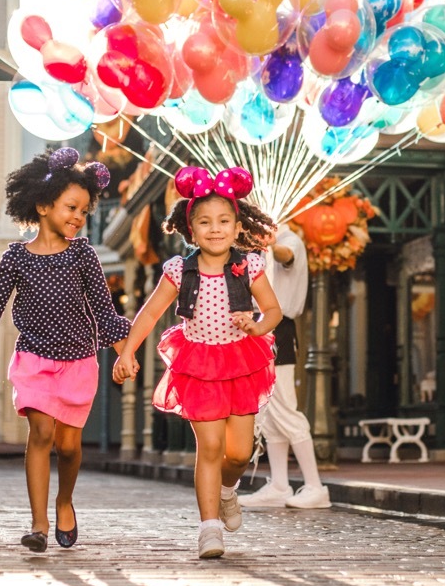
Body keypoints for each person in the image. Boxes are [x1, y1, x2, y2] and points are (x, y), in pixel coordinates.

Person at [0, 147, 131, 554]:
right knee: (41, 433)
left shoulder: (84, 255)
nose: (79, 217)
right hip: (34, 361)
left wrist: (124, 352)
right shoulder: (15, 258)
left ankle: (65, 501)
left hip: (79, 361)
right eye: (71, 208)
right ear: (43, 206)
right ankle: (39, 523)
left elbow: (104, 311)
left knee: (69, 446)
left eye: (84, 211)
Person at [112, 165, 281, 559]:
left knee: (237, 454)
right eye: (205, 222)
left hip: (241, 361)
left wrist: (256, 325)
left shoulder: (248, 265)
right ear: (191, 230)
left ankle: (227, 491)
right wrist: (127, 350)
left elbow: (273, 310)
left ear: (238, 227)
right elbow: (150, 314)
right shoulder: (178, 270)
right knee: (209, 446)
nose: (215, 229)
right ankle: (208, 530)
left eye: (224, 221)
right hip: (199, 364)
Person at [238, 224, 331, 509]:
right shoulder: (254, 245)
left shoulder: (290, 240)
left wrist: (268, 243)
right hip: (256, 326)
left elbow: (285, 255)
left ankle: (315, 486)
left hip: (277, 327)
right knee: (268, 411)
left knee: (284, 405)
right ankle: (279, 485)